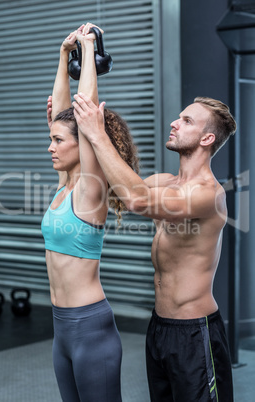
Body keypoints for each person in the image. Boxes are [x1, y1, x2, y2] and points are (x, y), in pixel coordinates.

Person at [72, 92, 236, 401]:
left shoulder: (208, 195)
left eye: (186, 120)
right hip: (160, 328)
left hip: (194, 331)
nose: (174, 123)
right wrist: (86, 129)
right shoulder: (165, 182)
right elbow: (112, 191)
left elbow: (137, 199)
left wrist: (96, 134)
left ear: (206, 138)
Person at [41, 23, 138, 402]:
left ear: (82, 143)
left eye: (57, 141)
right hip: (61, 330)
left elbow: (82, 117)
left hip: (90, 330)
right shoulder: (64, 185)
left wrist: (88, 46)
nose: (50, 146)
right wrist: (65, 56)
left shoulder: (90, 189)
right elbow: (63, 115)